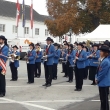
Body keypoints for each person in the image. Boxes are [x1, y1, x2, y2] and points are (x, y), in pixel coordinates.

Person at [95, 45, 110, 110]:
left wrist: (97, 79)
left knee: (104, 99)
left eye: (101, 51)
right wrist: (96, 77)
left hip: (104, 82)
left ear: (105, 53)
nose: (100, 52)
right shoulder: (103, 60)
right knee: (102, 98)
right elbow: (98, 70)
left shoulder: (106, 61)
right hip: (102, 82)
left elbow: (102, 73)